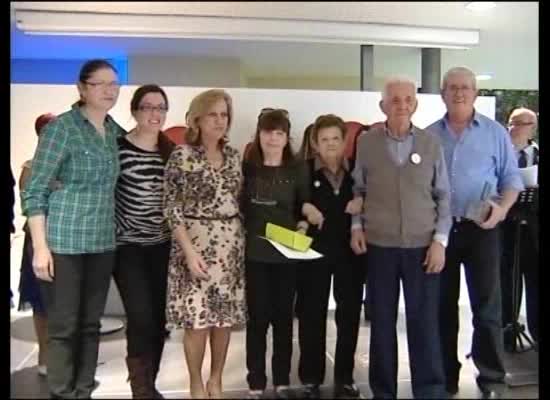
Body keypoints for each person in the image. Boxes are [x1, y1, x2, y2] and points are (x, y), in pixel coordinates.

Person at [21, 59, 124, 399]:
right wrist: (40, 246)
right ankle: (62, 392)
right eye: (101, 83)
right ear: (82, 88)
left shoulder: (113, 131)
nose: (110, 90)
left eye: (115, 83)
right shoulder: (61, 129)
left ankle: (83, 389)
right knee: (64, 326)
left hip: (102, 241)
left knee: (90, 325)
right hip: (63, 242)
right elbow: (34, 189)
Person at [351, 76, 451, 399]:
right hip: (380, 246)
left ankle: (430, 390)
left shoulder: (431, 143)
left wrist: (440, 241)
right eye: (395, 100)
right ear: (383, 105)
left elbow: (444, 197)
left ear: (416, 104)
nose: (402, 105)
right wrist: (355, 227)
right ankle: (383, 391)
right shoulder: (366, 142)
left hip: (422, 247)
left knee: (424, 323)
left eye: (408, 99)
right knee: (381, 323)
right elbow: (358, 190)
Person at [426, 66, 524, 397]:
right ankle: (444, 377)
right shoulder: (427, 135)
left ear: (475, 93)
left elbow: (512, 180)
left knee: (487, 308)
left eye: (466, 87)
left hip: (483, 230)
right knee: (440, 307)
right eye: (452, 87)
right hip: (439, 233)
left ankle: (492, 378)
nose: (459, 92)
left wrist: (502, 209)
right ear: (443, 93)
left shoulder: (495, 133)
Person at [163, 89, 247, 399]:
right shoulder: (181, 155)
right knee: (197, 323)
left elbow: (241, 202)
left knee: (222, 321)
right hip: (194, 246)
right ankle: (195, 382)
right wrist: (188, 250)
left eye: (224, 114)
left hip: (230, 248)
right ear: (197, 118)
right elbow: (171, 207)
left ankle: (216, 379)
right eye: (213, 114)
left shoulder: (235, 156)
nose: (220, 120)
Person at [241, 108, 321, 399]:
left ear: (287, 137)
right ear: (258, 134)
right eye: (267, 132)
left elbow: (303, 204)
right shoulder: (247, 167)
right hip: (255, 253)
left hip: (286, 252)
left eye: (279, 133)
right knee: (257, 319)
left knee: (283, 319)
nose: (273, 139)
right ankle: (256, 381)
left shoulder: (297, 169)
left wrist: (303, 224)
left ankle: (281, 379)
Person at [295, 114, 364, 399]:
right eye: (324, 139)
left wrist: (364, 202)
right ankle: (310, 379)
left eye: (336, 138)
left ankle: (345, 378)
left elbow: (373, 197)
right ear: (315, 143)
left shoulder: (357, 172)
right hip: (314, 252)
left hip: (350, 253)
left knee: (349, 316)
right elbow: (293, 202)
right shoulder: (304, 170)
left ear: (344, 140)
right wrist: (304, 209)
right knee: (312, 315)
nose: (331, 144)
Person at [113, 85, 175, 398]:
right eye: (148, 107)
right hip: (128, 248)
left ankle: (150, 384)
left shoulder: (171, 152)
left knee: (159, 319)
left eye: (161, 107)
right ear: (135, 111)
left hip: (163, 247)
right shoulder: (118, 147)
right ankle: (141, 389)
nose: (155, 113)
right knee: (140, 317)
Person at [17, 112, 57, 377]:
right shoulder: (30, 168)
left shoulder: (67, 164)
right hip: (39, 240)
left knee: (65, 303)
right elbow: (29, 206)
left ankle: (62, 355)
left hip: (69, 240)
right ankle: (45, 353)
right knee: (41, 302)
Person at [500, 107, 539, 351]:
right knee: (506, 281)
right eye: (514, 123)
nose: (517, 127)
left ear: (532, 127)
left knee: (535, 282)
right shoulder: (501, 154)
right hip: (506, 227)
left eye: (524, 123)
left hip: (533, 230)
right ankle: (507, 331)